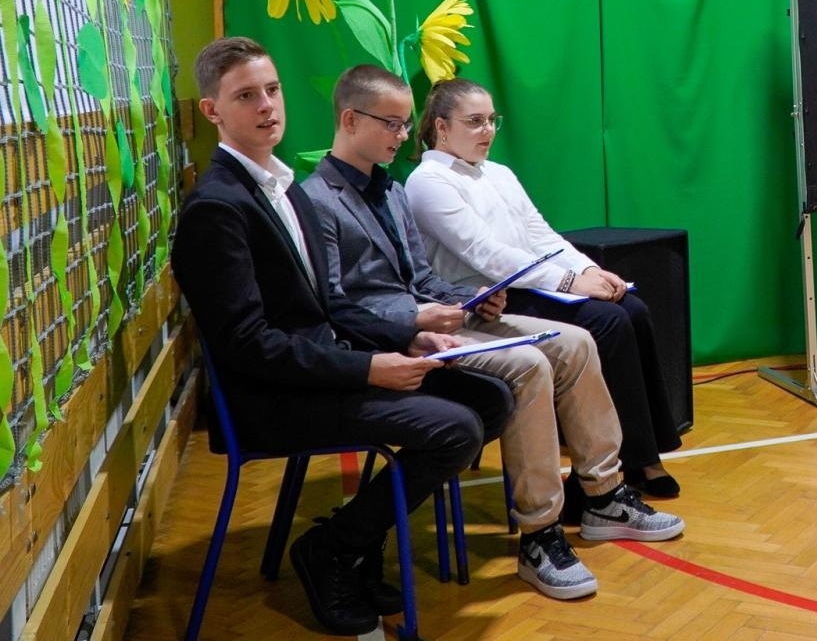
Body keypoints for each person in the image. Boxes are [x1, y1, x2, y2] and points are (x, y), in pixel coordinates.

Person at [301, 65, 684, 602]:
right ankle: (540, 532)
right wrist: (416, 322)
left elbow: (422, 276)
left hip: (443, 317)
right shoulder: (319, 198)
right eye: (392, 124)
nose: (402, 135)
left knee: (576, 342)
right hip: (393, 340)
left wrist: (465, 299)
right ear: (349, 120)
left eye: (405, 124)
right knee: (530, 363)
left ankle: (603, 493)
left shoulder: (390, 191)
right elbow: (334, 304)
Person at [173, 38, 514, 636]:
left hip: (324, 366)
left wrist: (406, 338)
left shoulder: (280, 187)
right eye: (246, 96)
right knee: (455, 429)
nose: (267, 106)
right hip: (274, 398)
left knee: (491, 399)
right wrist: (368, 369)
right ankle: (333, 548)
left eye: (272, 89)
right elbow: (247, 345)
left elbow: (330, 306)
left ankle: (355, 540)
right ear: (212, 112)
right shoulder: (217, 208)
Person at [404, 78, 683, 501]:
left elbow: (541, 235)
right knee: (606, 322)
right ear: (442, 127)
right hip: (485, 302)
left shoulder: (498, 173)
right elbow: (486, 254)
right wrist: (569, 282)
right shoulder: (428, 180)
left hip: (532, 287)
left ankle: (643, 454)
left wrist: (590, 270)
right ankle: (609, 471)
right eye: (475, 121)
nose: (488, 130)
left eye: (492, 120)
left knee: (633, 309)